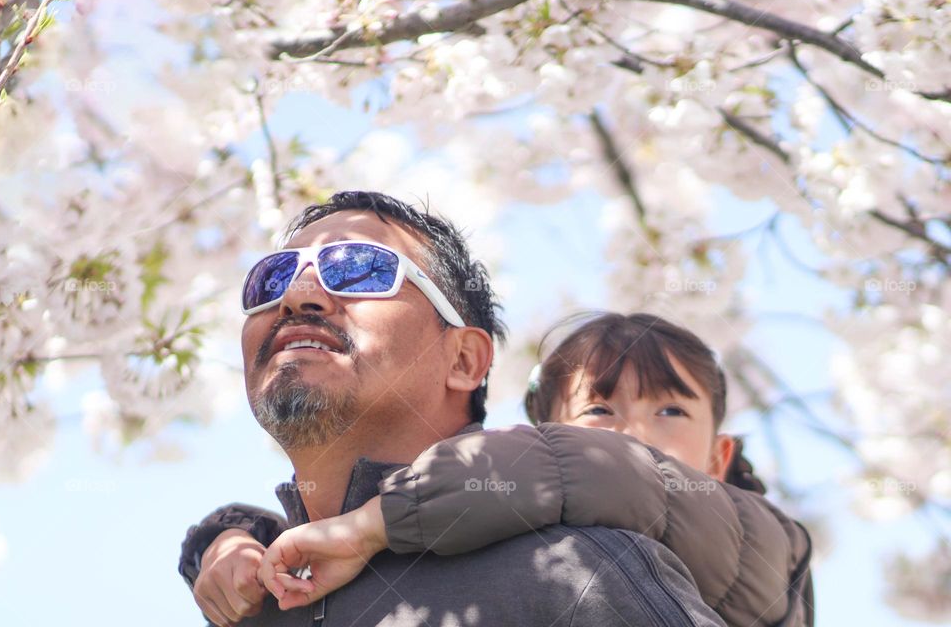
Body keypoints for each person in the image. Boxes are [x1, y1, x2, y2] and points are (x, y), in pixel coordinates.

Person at [179, 191, 726, 627]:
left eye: (361, 269)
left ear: (464, 358)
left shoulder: (576, 573)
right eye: (270, 279)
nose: (298, 294)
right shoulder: (248, 602)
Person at [187, 313, 813, 626]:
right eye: (599, 408)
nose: (634, 433)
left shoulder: (758, 532)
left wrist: (364, 530)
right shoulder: (535, 521)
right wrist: (231, 536)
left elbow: (602, 471)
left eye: (671, 409)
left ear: (718, 457)